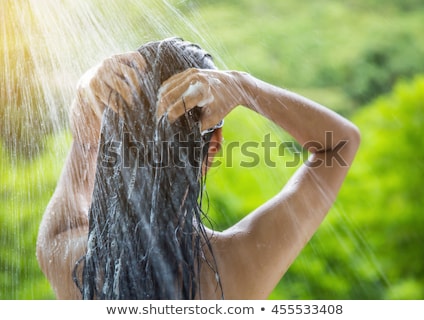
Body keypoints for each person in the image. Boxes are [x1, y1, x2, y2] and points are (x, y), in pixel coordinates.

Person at [36, 37, 360, 300]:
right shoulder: (235, 267)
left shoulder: (66, 256)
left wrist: (88, 87)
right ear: (214, 144)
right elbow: (341, 143)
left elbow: (86, 139)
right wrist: (244, 87)